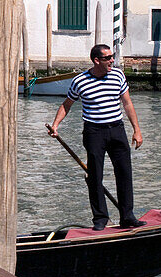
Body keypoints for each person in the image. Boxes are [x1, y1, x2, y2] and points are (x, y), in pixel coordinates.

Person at [49, 43, 145, 231]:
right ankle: (100, 218)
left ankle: (127, 216)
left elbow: (127, 103)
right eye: (108, 58)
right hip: (94, 132)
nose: (112, 60)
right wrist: (55, 125)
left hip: (117, 129)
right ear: (96, 60)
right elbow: (67, 104)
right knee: (95, 175)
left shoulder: (117, 75)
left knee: (124, 172)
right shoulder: (80, 81)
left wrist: (137, 130)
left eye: (112, 57)